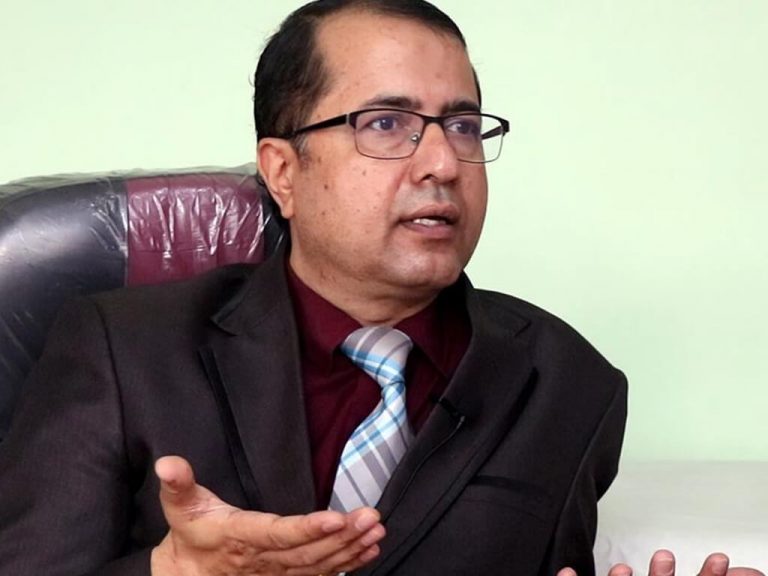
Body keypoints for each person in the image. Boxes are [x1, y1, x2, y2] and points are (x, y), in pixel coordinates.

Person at [0, 2, 761, 576]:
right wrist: (172, 573)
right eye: (387, 123)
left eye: (463, 126)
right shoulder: (122, 348)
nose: (442, 163)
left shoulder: (573, 386)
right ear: (283, 172)